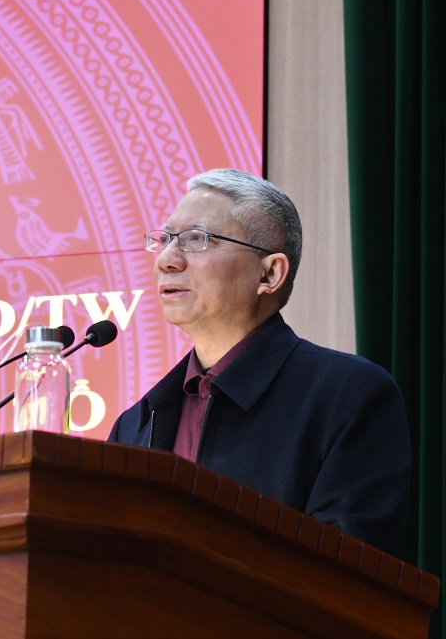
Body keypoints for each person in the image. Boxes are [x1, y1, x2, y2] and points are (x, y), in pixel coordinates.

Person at [108, 168, 411, 557]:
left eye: (196, 239)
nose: (167, 260)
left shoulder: (349, 396)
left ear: (269, 274)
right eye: (165, 240)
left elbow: (345, 569)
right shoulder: (136, 424)